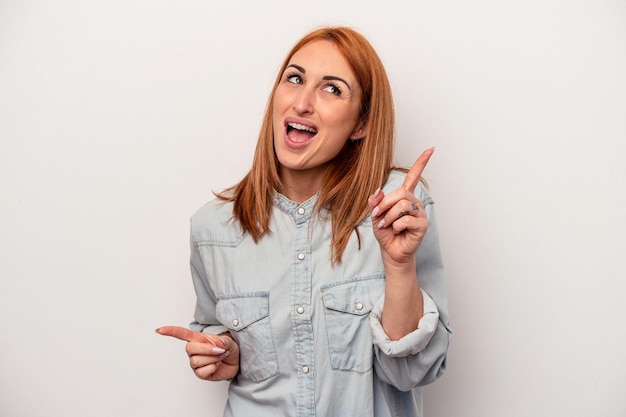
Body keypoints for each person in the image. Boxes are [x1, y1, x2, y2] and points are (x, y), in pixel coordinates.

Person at [156, 26, 451, 417]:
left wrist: (399, 266)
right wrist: (223, 352)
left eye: (332, 89)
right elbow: (216, 331)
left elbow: (411, 371)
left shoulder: (397, 209)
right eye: (294, 79)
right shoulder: (214, 228)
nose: (302, 102)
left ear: (361, 124)